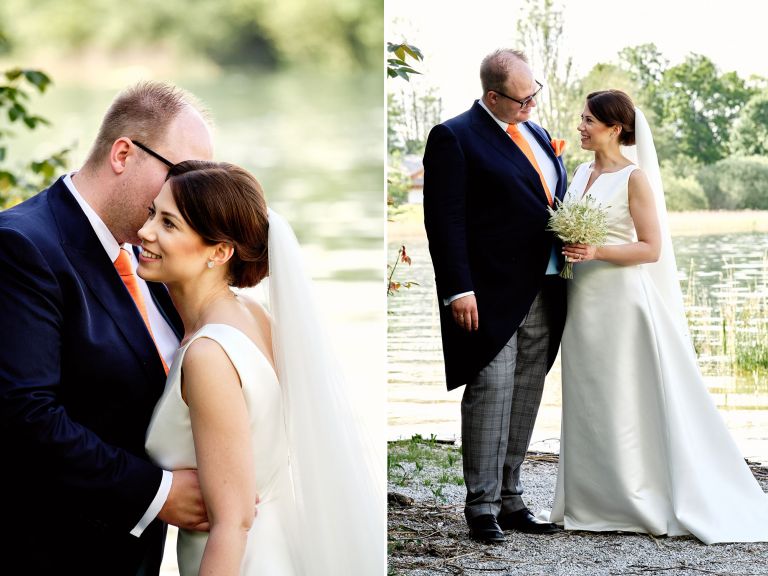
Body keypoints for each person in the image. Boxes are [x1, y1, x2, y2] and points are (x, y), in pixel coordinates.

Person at [0, 81, 215, 575]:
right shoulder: (21, 247)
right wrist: (157, 493)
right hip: (52, 552)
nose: (190, 195)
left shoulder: (153, 254)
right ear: (123, 153)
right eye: (181, 173)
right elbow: (23, 414)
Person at [141, 160, 384, 575]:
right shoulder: (253, 313)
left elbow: (232, 522)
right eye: (152, 213)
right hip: (277, 541)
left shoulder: (208, 355)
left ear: (219, 252)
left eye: (169, 224)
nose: (145, 232)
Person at [549, 89, 768, 543]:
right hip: (582, 300)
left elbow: (651, 248)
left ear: (615, 128)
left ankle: (636, 496)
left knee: (626, 394)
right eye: (582, 118)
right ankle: (590, 500)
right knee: (590, 395)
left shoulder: (634, 179)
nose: (581, 126)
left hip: (621, 301)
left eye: (589, 120)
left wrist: (597, 250)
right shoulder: (580, 171)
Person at [422, 48, 568, 544]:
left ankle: (512, 498)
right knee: (491, 391)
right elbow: (445, 221)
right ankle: (481, 505)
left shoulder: (538, 135)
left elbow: (548, 202)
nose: (531, 104)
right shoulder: (454, 137)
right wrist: (458, 289)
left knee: (528, 389)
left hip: (547, 285)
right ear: (492, 96)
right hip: (486, 293)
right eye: (523, 99)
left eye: (534, 94)